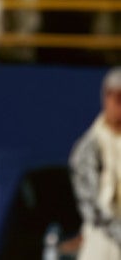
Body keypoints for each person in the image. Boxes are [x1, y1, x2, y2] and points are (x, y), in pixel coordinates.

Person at [71, 67, 121, 259]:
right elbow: (90, 204)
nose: (117, 103)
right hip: (103, 236)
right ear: (105, 98)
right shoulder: (89, 148)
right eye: (113, 96)